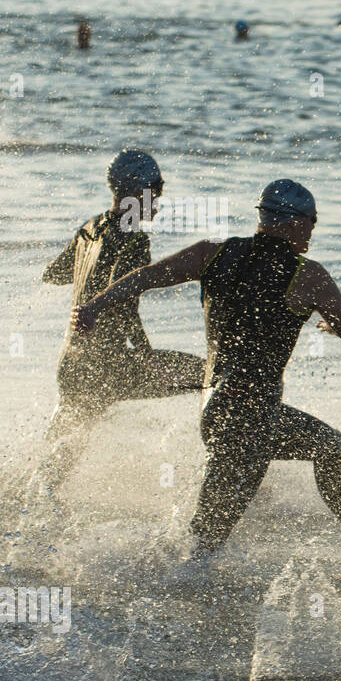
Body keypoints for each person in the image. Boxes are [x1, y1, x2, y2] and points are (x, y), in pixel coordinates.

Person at [71, 179, 341, 560]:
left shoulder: (213, 253)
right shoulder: (309, 276)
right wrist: (332, 325)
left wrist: (92, 307)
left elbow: (147, 277)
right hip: (253, 413)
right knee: (208, 541)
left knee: (212, 530)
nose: (312, 231)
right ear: (293, 223)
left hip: (215, 408)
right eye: (312, 223)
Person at [39, 150, 205, 486]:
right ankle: (237, 473)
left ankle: (32, 493)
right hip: (108, 365)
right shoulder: (134, 239)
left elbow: (53, 274)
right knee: (212, 376)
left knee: (70, 436)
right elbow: (127, 307)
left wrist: (90, 272)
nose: (158, 202)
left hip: (71, 360)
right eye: (154, 193)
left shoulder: (89, 228)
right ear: (136, 192)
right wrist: (147, 358)